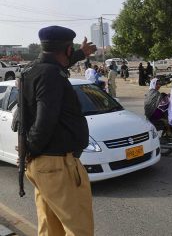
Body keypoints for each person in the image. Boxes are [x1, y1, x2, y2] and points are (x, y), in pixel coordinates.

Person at [21, 26, 97, 235]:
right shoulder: (51, 76)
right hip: (58, 165)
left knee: (50, 228)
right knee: (78, 229)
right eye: (71, 50)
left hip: (45, 166)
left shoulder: (33, 69)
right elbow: (45, 121)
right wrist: (33, 151)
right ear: (67, 50)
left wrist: (80, 53)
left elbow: (56, 62)